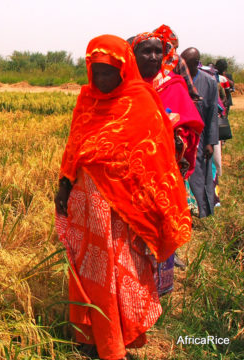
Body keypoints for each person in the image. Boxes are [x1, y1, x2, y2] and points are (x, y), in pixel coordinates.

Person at [54, 34, 191, 360]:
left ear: (123, 68)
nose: (101, 79)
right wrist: (63, 184)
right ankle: (92, 337)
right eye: (96, 71)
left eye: (108, 71)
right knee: (88, 272)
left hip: (124, 211)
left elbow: (156, 156)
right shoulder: (87, 99)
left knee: (118, 273)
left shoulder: (141, 99)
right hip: (87, 207)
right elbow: (74, 145)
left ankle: (113, 343)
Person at [132, 30, 204, 276]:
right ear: (133, 55)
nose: (153, 57)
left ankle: (160, 278)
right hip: (131, 174)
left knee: (163, 221)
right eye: (146, 51)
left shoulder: (173, 85)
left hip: (165, 171)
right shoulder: (123, 86)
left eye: (158, 52)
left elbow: (190, 124)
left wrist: (177, 139)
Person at [181, 47, 220, 218]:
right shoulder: (178, 80)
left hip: (202, 135)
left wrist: (211, 142)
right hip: (183, 134)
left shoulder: (209, 82)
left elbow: (212, 115)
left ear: (197, 63)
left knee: (201, 174)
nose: (185, 67)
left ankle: (203, 211)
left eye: (188, 64)